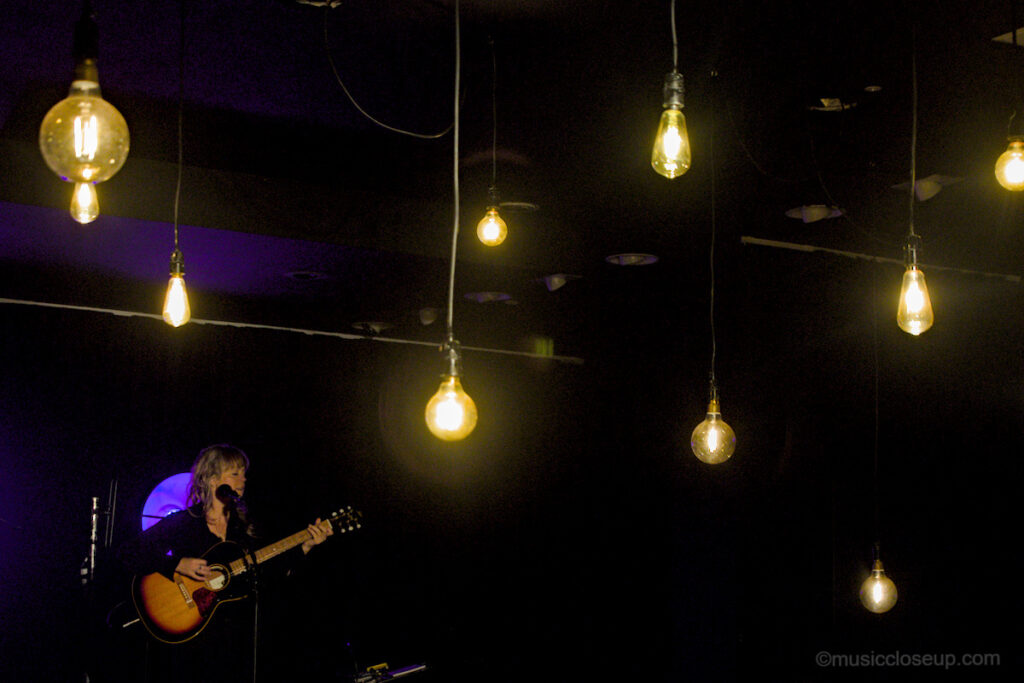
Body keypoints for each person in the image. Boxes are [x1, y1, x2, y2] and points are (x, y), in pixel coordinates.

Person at [118, 444, 332, 683]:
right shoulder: (185, 522)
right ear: (212, 480)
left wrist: (305, 546)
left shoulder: (243, 528)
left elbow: (270, 575)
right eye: (235, 473)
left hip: (235, 641)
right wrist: (177, 564)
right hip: (192, 645)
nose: (244, 479)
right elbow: (129, 552)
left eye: (244, 474)